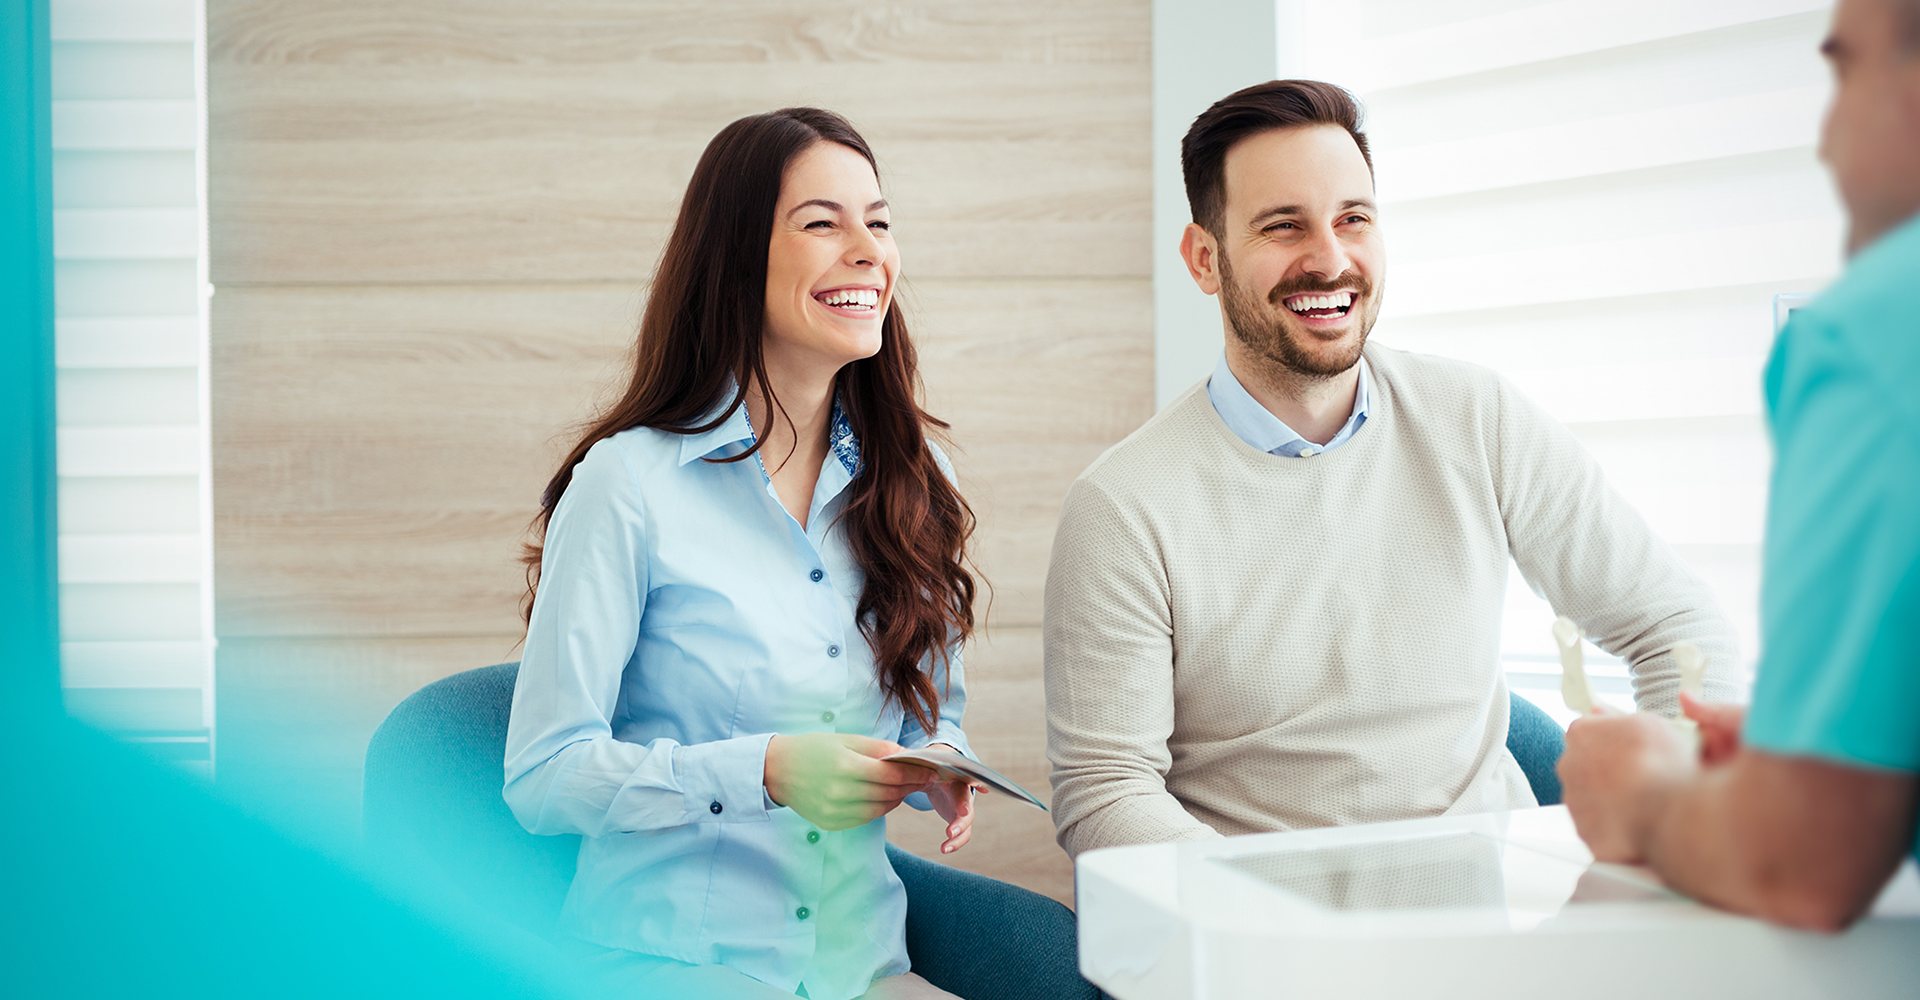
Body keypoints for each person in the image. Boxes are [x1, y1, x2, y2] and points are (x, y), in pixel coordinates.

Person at [1043, 79, 1743, 859]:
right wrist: (1256, 914)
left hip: (1495, 906)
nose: (1330, 260)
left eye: (1354, 219)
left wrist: (1669, 814)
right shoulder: (1123, 507)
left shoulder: (1478, 418)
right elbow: (1105, 792)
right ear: (1205, 260)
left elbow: (1676, 627)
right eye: (1283, 226)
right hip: (1264, 919)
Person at [503, 107, 981, 1000]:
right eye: (822, 223)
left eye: (879, 222)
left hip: (858, 968)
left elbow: (932, 715)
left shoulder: (918, 481)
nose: (868, 252)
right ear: (735, 257)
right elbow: (543, 775)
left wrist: (936, 765)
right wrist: (762, 771)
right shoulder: (629, 484)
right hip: (667, 966)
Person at [1557, 0, 1920, 931]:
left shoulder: (1878, 333)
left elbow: (1802, 862)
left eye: (1844, 74)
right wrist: (1832, 733)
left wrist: (1640, 794)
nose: (1826, 143)